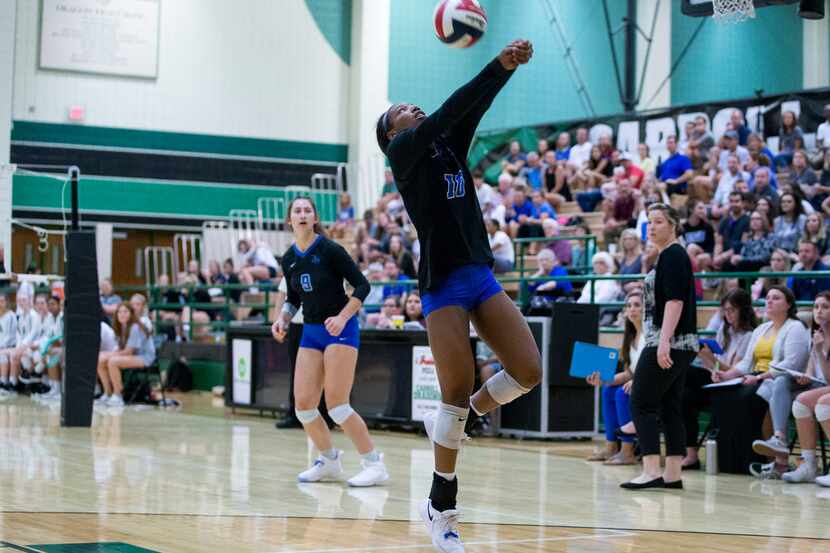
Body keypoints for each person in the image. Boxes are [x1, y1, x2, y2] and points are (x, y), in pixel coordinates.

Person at [376, 40, 541, 551]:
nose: (412, 107)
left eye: (411, 104)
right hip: (442, 282)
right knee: (453, 389)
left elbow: (471, 107)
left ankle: (462, 416)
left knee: (528, 371)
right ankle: (441, 508)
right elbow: (450, 108)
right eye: (400, 109)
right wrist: (495, 63)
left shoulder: (445, 145)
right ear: (390, 133)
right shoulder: (404, 153)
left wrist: (505, 72)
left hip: (478, 273)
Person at [271, 196, 389, 488]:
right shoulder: (288, 259)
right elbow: (294, 298)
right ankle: (329, 460)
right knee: (304, 408)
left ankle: (374, 464)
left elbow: (363, 285)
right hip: (311, 331)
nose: (301, 214)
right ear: (290, 220)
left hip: (341, 329)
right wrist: (283, 319)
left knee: (337, 405)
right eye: (296, 211)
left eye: (306, 210)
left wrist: (342, 316)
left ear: (314, 218)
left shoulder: (330, 249)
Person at [621, 203, 698, 490]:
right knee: (670, 405)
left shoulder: (674, 255)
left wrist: (664, 341)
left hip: (669, 340)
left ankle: (651, 469)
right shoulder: (667, 255)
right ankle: (673, 473)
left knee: (640, 402)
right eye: (649, 222)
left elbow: (675, 301)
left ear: (673, 224)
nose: (651, 227)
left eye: (658, 222)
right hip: (680, 342)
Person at [712, 286, 811, 479]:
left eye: (776, 298)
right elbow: (747, 362)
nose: (769, 301)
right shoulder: (761, 328)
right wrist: (727, 375)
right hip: (756, 376)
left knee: (747, 398)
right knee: (724, 396)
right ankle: (730, 461)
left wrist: (758, 377)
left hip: (780, 379)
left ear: (788, 304)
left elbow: (791, 363)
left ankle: (759, 457)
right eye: (767, 298)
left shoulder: (795, 327)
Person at [683, 289, 757, 469]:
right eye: (725, 310)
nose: (728, 314)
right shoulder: (724, 331)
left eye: (732, 310)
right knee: (684, 396)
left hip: (734, 386)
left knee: (684, 373)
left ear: (743, 310)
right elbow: (715, 369)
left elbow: (735, 371)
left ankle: (653, 412)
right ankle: (691, 455)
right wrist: (707, 359)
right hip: (716, 382)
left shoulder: (749, 336)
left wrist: (711, 359)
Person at [585, 290, 643, 466]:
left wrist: (637, 381)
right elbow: (628, 373)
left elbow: (652, 369)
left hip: (652, 386)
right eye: (629, 306)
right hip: (638, 381)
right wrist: (604, 379)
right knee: (608, 390)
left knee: (621, 393)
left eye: (637, 305)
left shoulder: (650, 335)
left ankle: (627, 451)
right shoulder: (631, 336)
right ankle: (611, 446)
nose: (632, 309)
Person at [781, 291, 830, 485]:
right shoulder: (817, 334)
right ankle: (809, 465)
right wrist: (805, 376)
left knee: (824, 405)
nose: (819, 311)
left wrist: (819, 350)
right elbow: (812, 366)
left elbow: (828, 378)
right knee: (800, 403)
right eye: (816, 307)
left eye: (825, 307)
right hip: (824, 386)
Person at [95, 302, 156, 407]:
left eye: (125, 312)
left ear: (131, 314)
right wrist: (106, 354)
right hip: (133, 356)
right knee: (100, 359)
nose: (122, 314)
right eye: (119, 312)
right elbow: (120, 348)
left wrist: (110, 355)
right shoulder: (122, 327)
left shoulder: (135, 327)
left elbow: (129, 351)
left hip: (145, 357)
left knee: (113, 362)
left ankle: (118, 395)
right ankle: (107, 393)